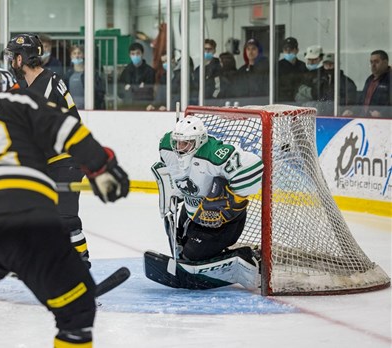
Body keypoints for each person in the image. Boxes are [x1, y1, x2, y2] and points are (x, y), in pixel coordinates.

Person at [0, 49, 129, 348]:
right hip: (27, 220)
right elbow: (69, 131)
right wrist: (103, 167)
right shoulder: (17, 101)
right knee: (77, 311)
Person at [5, 34, 93, 267]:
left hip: (67, 160)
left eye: (13, 56)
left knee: (66, 220)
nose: (11, 61)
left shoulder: (48, 84)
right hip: (50, 163)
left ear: (22, 58)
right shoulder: (30, 85)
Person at [149, 116, 263, 289]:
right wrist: (175, 190)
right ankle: (208, 256)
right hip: (191, 213)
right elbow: (175, 170)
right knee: (180, 250)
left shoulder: (213, 153)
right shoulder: (167, 147)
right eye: (177, 142)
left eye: (185, 143)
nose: (179, 148)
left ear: (199, 140)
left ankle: (249, 257)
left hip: (224, 221)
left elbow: (254, 167)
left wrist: (232, 200)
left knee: (193, 257)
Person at [63, 45, 106, 110]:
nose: (77, 56)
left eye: (79, 53)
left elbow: (99, 92)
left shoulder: (91, 74)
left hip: (89, 109)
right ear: (71, 56)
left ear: (83, 55)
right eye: (74, 53)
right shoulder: (67, 75)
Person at [117, 42, 155, 109]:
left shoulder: (149, 71)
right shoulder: (126, 71)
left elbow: (148, 91)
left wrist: (129, 88)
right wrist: (138, 88)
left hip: (144, 106)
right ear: (129, 55)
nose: (135, 56)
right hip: (128, 106)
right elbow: (120, 91)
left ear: (142, 54)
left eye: (138, 53)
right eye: (133, 54)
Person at [357, 50, 390, 117]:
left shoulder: (389, 79)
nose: (373, 65)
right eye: (371, 62)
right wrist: (352, 110)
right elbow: (362, 101)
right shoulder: (369, 80)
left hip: (383, 121)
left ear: (385, 63)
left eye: (376, 62)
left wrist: (383, 114)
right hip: (365, 119)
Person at [276, 37, 307, 102]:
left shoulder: (302, 66)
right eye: (285, 49)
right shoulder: (277, 66)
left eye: (291, 49)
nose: (288, 51)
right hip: (283, 101)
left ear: (297, 50)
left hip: (299, 100)